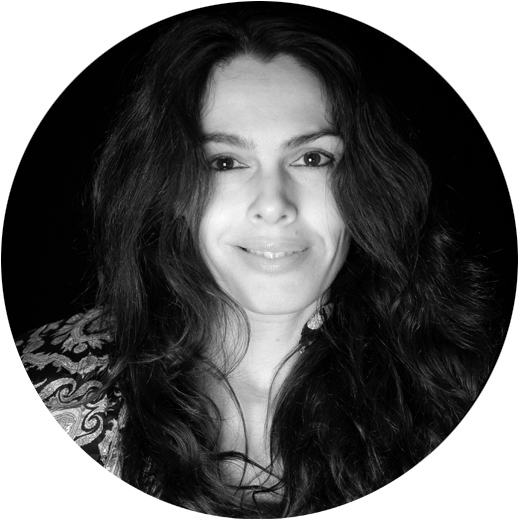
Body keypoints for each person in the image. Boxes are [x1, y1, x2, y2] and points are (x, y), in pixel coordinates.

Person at [15, 5, 502, 518]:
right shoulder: (39, 391)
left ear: (368, 180)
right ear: (170, 191)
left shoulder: (472, 388)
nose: (273, 204)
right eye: (225, 162)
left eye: (312, 158)